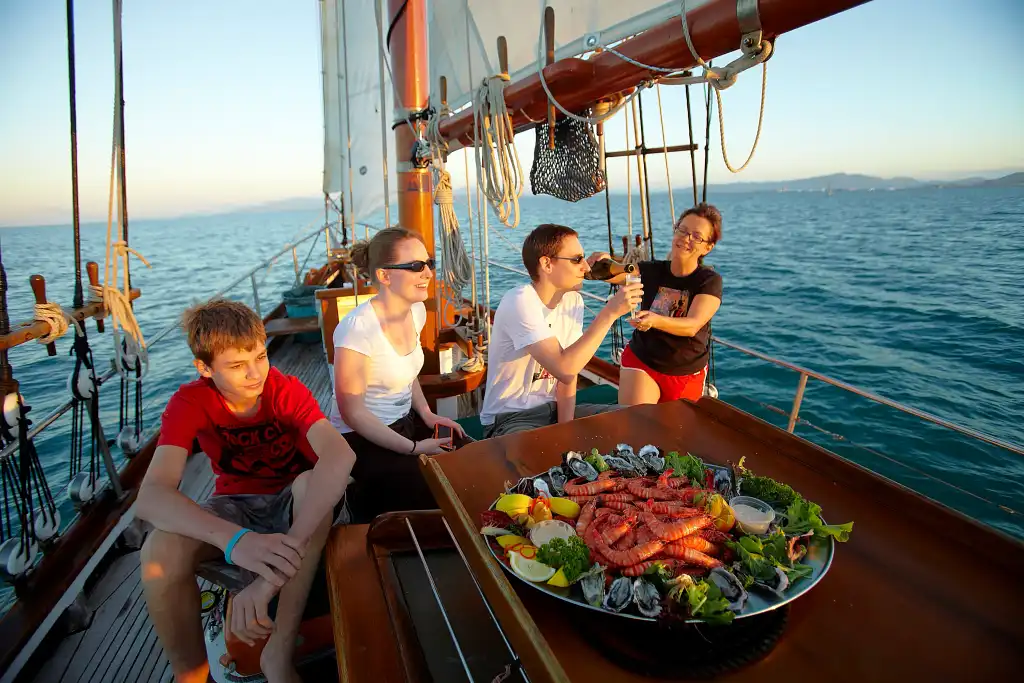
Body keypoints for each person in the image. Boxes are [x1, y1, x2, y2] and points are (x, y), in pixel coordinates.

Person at [138, 299, 357, 683]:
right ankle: (190, 676)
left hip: (296, 501)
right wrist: (236, 540)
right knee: (159, 551)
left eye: (259, 356)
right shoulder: (190, 402)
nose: (255, 373)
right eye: (237, 366)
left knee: (310, 484)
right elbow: (151, 495)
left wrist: (273, 572)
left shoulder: (283, 390)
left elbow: (339, 455)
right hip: (236, 505)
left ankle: (279, 651)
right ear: (205, 369)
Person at [330, 228, 465, 523]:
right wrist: (414, 449)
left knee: (467, 458)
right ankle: (358, 504)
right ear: (385, 276)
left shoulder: (416, 311)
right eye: (416, 266)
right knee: (435, 491)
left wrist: (428, 415)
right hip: (361, 438)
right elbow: (352, 413)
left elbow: (407, 371)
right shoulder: (357, 329)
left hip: (404, 424)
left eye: (429, 262)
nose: (428, 272)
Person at [480, 223, 643, 438]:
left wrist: (565, 432)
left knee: (637, 421)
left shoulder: (572, 301)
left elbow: (569, 376)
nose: (586, 267)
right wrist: (610, 313)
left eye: (583, 258)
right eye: (576, 260)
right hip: (510, 418)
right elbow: (564, 368)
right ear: (547, 264)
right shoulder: (520, 301)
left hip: (554, 411)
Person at [589, 203, 723, 405]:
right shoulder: (651, 270)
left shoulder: (708, 281)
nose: (686, 239)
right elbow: (614, 274)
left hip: (685, 371)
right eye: (682, 230)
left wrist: (655, 320)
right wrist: (603, 262)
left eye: (696, 236)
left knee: (673, 435)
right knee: (637, 425)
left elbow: (693, 325)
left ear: (708, 247)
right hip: (642, 360)